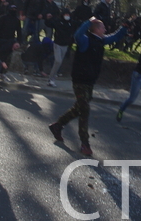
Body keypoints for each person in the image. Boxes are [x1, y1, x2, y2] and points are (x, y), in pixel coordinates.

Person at [48, 17, 129, 156]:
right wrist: (88, 22)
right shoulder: (85, 40)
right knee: (84, 109)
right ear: (96, 29)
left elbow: (115, 37)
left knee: (79, 108)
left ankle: (58, 125)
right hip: (79, 80)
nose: (105, 30)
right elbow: (77, 34)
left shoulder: (101, 41)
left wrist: (125, 27)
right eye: (103, 27)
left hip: (90, 81)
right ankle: (85, 143)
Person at [44, 9, 75, 87]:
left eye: (68, 14)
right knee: (58, 61)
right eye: (65, 14)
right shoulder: (58, 22)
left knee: (58, 63)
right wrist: (48, 18)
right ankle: (51, 78)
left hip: (65, 45)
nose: (67, 16)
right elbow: (49, 24)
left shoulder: (71, 23)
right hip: (57, 44)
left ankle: (52, 79)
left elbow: (78, 26)